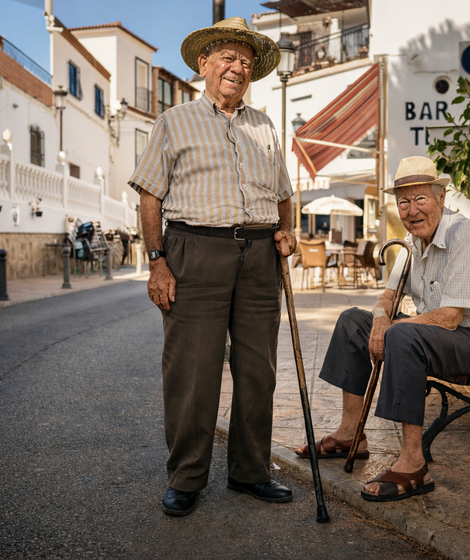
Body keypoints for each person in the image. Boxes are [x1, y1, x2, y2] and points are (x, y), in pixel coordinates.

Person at [128, 17, 296, 517]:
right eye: (227, 56)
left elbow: (284, 194)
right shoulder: (174, 121)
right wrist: (158, 263)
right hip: (194, 250)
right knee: (193, 370)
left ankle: (250, 471)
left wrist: (287, 230)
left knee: (257, 370)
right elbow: (150, 196)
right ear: (204, 64)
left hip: (260, 256)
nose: (237, 67)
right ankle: (187, 476)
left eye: (245, 61)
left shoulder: (264, 125)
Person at [295, 156, 470, 502]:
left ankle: (414, 463)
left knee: (404, 334)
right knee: (353, 320)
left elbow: (449, 318)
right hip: (446, 337)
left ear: (440, 198)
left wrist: (394, 326)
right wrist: (381, 318)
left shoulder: (465, 235)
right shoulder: (412, 243)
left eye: (420, 199)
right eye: (403, 201)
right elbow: (385, 297)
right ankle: (350, 433)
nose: (411, 210)